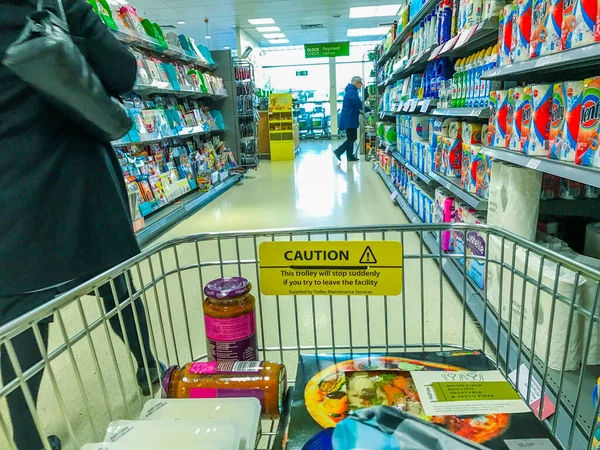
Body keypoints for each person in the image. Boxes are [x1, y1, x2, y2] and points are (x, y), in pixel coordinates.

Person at [0, 1, 161, 449]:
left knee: (21, 324)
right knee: (115, 287)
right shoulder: (50, 3)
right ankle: (149, 366)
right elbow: (122, 73)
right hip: (79, 183)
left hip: (9, 200)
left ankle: (28, 437)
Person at [335, 76, 364, 162]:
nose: (361, 85)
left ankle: (350, 156)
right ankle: (338, 151)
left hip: (349, 118)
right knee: (353, 138)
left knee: (350, 137)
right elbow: (358, 104)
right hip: (350, 119)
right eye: (360, 83)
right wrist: (368, 109)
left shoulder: (351, 91)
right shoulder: (352, 92)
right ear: (356, 83)